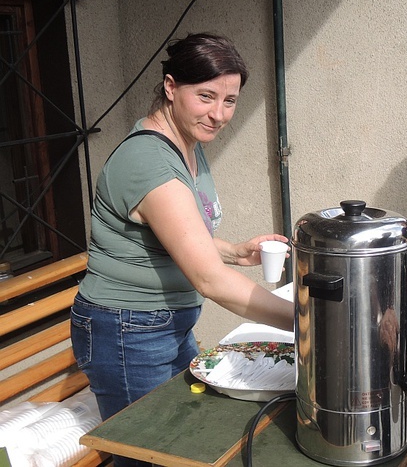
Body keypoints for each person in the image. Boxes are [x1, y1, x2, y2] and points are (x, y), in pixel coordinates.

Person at [71, 33, 295, 467]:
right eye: (206, 96)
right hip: (127, 331)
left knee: (187, 440)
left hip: (165, 324)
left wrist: (234, 251)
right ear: (171, 88)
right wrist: (309, 321)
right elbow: (209, 280)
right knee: (151, 456)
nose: (218, 114)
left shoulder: (187, 143)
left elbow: (173, 235)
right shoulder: (149, 160)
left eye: (230, 101)